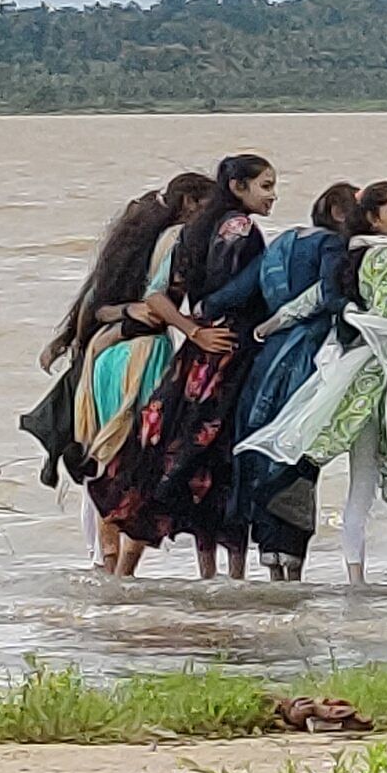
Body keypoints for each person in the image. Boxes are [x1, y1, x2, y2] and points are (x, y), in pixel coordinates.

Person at [244, 181, 387, 584]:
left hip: (369, 370)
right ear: (374, 219)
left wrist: (271, 324)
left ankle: (361, 575)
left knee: (367, 482)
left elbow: (318, 298)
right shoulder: (379, 255)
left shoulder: (357, 251)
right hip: (385, 376)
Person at [93, 155, 276, 578]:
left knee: (184, 458)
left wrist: (193, 332)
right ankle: (234, 577)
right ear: (237, 186)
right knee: (227, 459)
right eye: (265, 185)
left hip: (196, 359)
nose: (273, 194)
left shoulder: (190, 233)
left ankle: (204, 576)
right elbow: (250, 292)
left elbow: (157, 298)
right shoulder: (242, 229)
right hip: (233, 352)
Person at [206, 182, 363, 581]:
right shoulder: (333, 246)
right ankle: (291, 569)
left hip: (267, 362)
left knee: (265, 456)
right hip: (307, 357)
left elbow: (226, 298)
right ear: (342, 214)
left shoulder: (280, 243)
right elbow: (330, 296)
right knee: (298, 459)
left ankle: (272, 566)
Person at [69, 172, 218, 568]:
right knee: (139, 461)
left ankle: (106, 560)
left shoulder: (135, 246)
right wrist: (193, 330)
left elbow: (98, 306)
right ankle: (122, 566)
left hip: (107, 360)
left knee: (107, 457)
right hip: (143, 358)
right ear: (189, 204)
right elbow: (157, 303)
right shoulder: (178, 240)